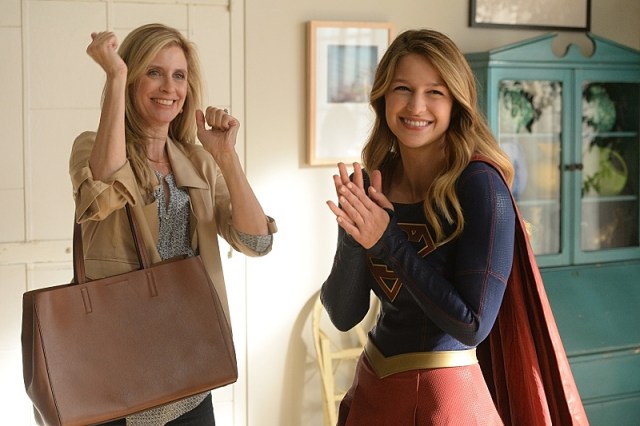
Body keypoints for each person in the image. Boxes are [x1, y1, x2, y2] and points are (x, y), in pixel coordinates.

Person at [320, 29, 588, 425]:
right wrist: (355, 236)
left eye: (435, 92)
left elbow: (472, 325)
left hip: (444, 401)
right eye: (403, 88)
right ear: (382, 97)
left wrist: (387, 239)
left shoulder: (481, 185)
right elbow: (343, 315)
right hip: (374, 388)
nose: (416, 106)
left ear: (456, 103)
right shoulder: (376, 180)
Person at [69, 23, 276, 425]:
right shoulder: (90, 147)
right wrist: (115, 76)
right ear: (132, 79)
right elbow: (105, 193)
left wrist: (226, 157)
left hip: (189, 371)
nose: (169, 87)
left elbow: (256, 242)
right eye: (153, 72)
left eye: (179, 75)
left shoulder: (199, 161)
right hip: (116, 371)